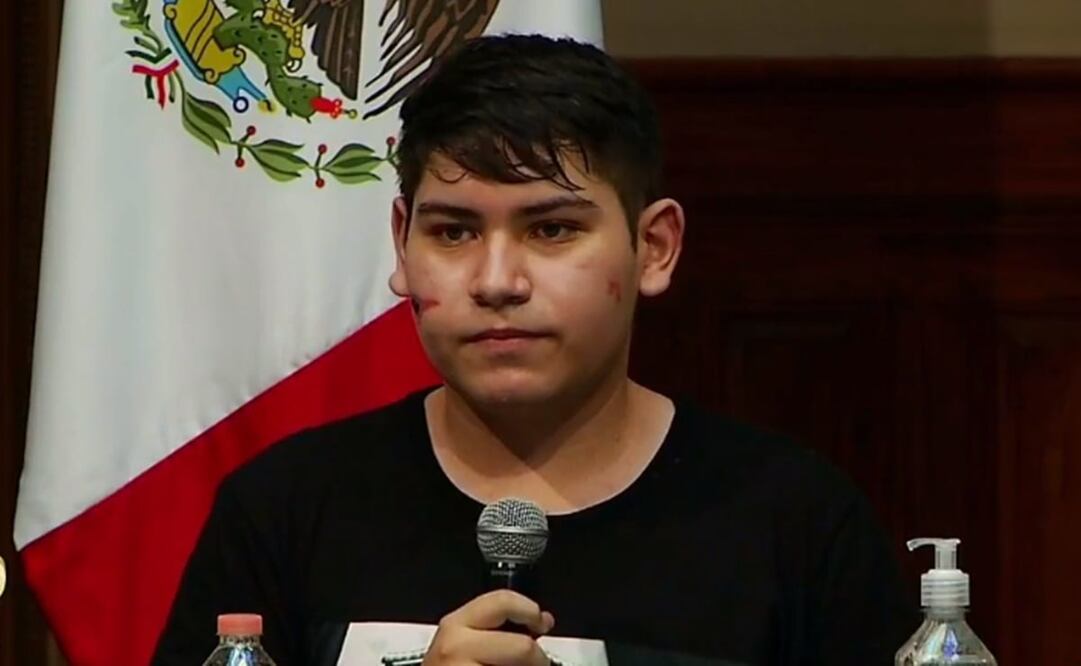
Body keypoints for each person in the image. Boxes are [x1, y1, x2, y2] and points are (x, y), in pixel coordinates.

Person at [153, 34, 918, 666]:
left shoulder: (795, 523)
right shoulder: (285, 511)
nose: (496, 281)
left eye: (551, 230)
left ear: (652, 249)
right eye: (452, 232)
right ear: (401, 245)